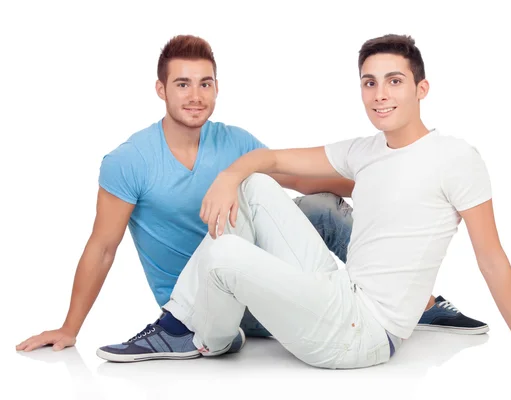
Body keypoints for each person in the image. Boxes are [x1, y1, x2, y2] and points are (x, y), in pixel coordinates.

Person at [16, 34, 486, 357]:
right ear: (160, 89)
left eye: (205, 83)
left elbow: (298, 183)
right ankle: (187, 331)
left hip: (257, 264)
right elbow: (102, 247)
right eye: (182, 84)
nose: (195, 95)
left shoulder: (233, 141)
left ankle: (417, 301)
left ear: (217, 88)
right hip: (200, 293)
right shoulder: (129, 160)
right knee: (228, 255)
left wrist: (392, 187)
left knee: (318, 206)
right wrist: (69, 328)